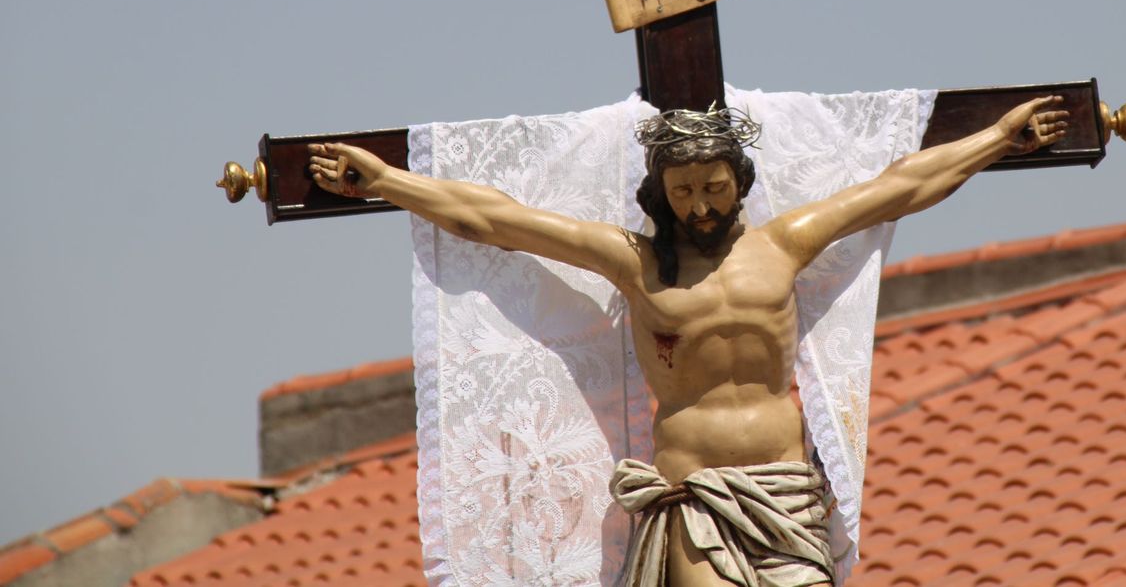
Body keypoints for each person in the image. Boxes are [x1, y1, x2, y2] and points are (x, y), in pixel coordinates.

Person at [309, 95, 1068, 587]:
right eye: (682, 191)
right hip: (696, 500)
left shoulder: (784, 245)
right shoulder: (635, 263)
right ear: (658, 193)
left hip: (783, 493)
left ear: (738, 181)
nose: (700, 205)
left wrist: (998, 137)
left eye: (713, 187)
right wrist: (388, 180)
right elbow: (499, 220)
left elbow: (901, 185)